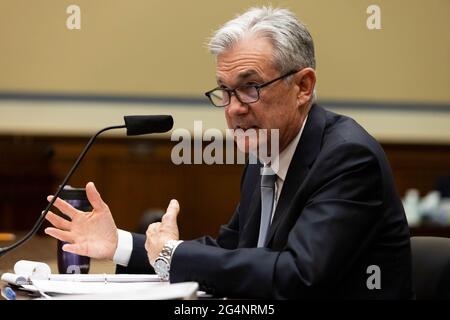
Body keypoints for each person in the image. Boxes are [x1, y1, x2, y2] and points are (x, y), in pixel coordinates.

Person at [44, 7, 413, 299]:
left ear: (303, 86)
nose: (233, 108)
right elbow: (233, 252)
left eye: (250, 87)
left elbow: (298, 276)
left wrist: (174, 255)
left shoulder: (348, 158)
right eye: (224, 90)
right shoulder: (265, 153)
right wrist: (120, 244)